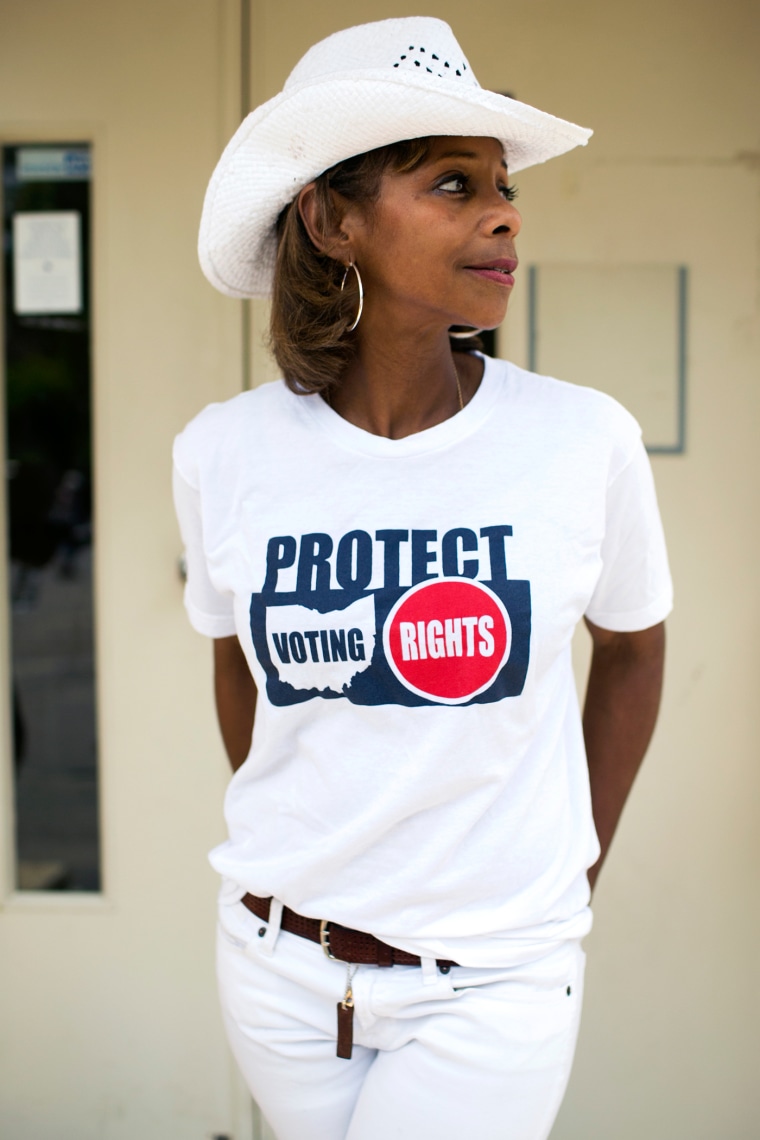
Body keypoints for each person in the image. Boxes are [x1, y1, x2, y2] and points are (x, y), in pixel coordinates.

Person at [173, 16, 671, 1140]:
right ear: (333, 218)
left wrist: (562, 877)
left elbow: (634, 650)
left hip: (491, 979)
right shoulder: (222, 453)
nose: (503, 211)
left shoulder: (581, 439)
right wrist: (307, 836)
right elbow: (238, 669)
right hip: (277, 962)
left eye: (502, 186)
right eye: (453, 182)